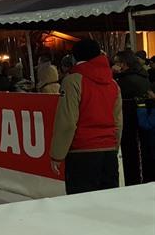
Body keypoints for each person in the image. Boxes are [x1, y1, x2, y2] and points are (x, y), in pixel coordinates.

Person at [50, 39, 123, 194]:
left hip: (82, 152)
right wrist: (113, 147)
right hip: (108, 152)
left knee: (82, 207)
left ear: (75, 57)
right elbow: (118, 121)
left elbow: (68, 121)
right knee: (108, 205)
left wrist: (57, 154)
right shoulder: (113, 84)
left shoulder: (72, 81)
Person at [113, 50, 153, 185]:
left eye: (116, 63)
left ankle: (134, 184)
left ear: (124, 64)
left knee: (131, 156)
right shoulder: (143, 75)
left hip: (130, 123)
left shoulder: (124, 81)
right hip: (143, 123)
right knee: (144, 154)